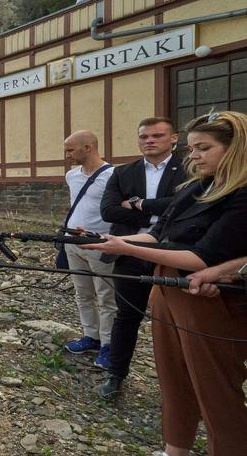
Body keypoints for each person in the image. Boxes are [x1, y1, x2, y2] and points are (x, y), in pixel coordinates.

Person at [82, 111, 247, 456]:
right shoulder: (194, 187)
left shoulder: (240, 194)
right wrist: (102, 239)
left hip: (207, 298)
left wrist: (124, 245)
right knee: (173, 379)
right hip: (167, 287)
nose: (195, 156)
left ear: (234, 149)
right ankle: (175, 451)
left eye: (204, 148)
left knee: (215, 387)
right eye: (192, 148)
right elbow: (158, 234)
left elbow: (201, 257)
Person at [96, 117, 185, 400]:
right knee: (127, 316)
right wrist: (158, 211)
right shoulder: (123, 172)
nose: (150, 141)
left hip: (176, 252)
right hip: (130, 249)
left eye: (157, 135)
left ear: (174, 138)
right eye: (144, 136)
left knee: (177, 319)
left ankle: (182, 384)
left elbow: (188, 205)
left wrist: (138, 203)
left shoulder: (189, 169)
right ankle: (116, 374)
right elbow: (109, 210)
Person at [61, 130, 116, 368]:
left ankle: (109, 345)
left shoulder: (113, 175)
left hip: (100, 243)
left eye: (71, 150)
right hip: (73, 242)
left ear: (89, 148)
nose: (67, 155)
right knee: (82, 293)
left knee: (106, 296)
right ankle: (90, 336)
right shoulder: (71, 176)